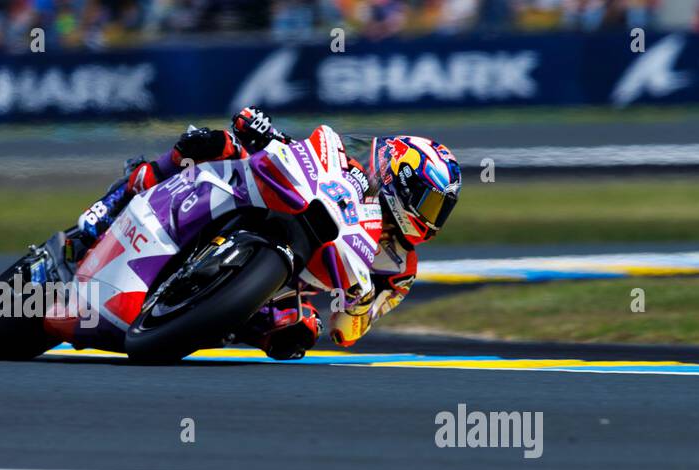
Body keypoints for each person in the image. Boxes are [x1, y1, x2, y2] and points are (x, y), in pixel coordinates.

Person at [66, 106, 462, 359]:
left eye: (440, 210)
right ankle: (116, 201)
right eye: (429, 203)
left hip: (288, 286)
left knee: (299, 333)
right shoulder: (357, 156)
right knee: (214, 143)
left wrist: (358, 303)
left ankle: (204, 315)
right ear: (402, 181)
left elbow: (348, 333)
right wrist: (264, 132)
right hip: (281, 200)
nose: (432, 218)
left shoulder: (399, 268)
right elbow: (311, 153)